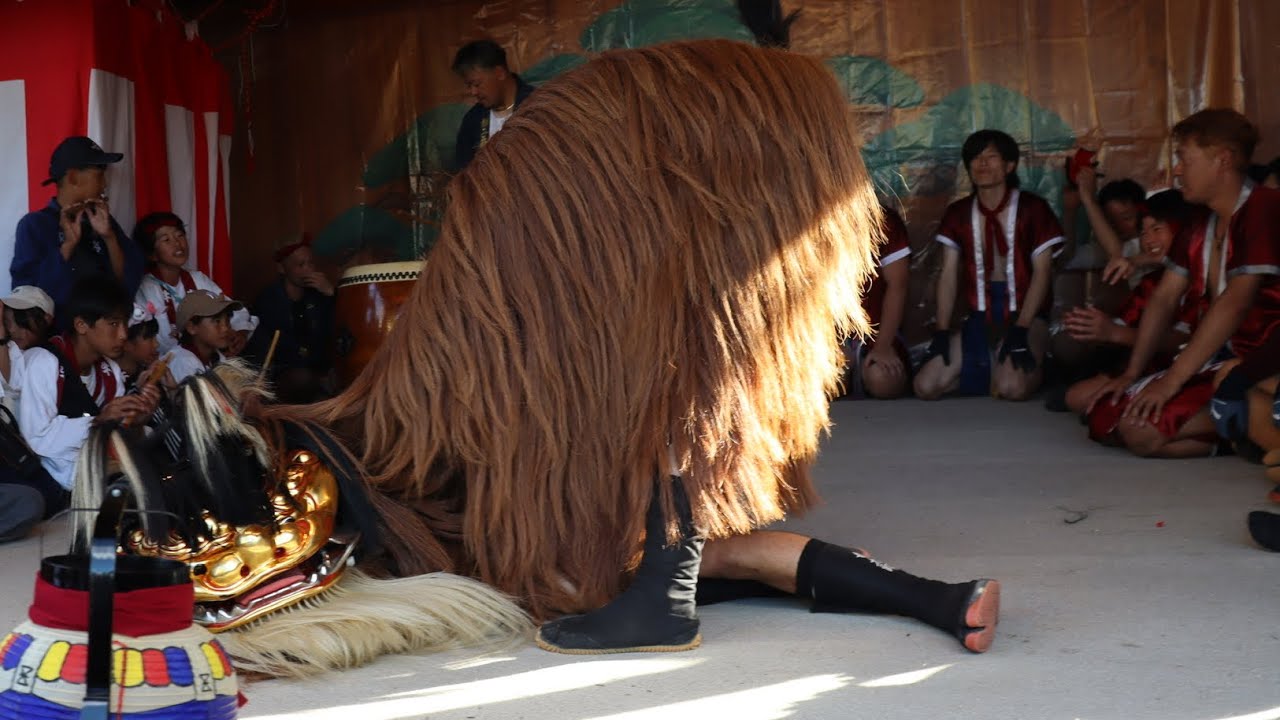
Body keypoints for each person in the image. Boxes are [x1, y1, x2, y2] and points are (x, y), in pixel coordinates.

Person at [1085, 109, 1280, 458]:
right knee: (1105, 416)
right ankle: (1238, 431)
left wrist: (1170, 382)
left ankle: (1246, 432)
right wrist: (1133, 372)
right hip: (1219, 359)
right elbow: (1164, 298)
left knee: (1139, 431)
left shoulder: (1263, 208)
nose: (1176, 170)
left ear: (1222, 160)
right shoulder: (1198, 221)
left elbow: (1235, 303)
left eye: (1183, 159)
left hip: (1262, 362)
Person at [913, 129, 1065, 401]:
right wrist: (942, 331)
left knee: (1012, 388)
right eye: (975, 158)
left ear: (1010, 166)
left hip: (1025, 314)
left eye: (991, 157)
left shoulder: (1033, 209)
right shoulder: (958, 213)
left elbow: (1043, 274)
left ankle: (1032, 366)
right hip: (981, 317)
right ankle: (993, 366)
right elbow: (948, 275)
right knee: (925, 386)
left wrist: (1022, 328)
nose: (982, 163)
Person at [18, 276, 158, 515]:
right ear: (82, 325)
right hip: (53, 477)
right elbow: (36, 437)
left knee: (152, 440)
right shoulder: (45, 361)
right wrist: (99, 421)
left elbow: (118, 434)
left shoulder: (110, 371)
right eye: (114, 324)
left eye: (124, 323)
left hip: (97, 465)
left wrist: (137, 419)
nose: (124, 334)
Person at [1064, 190, 1201, 419]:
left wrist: (1115, 333)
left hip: (1186, 366)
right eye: (1143, 232)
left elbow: (1182, 342)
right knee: (1076, 396)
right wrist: (1095, 327)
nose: (1148, 240)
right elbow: (1126, 317)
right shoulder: (1152, 280)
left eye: (1157, 229)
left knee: (1100, 407)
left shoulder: (1199, 280)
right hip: (1144, 361)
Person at [10, 136, 144, 309]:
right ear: (73, 177)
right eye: (99, 175)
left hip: (108, 330)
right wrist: (67, 247)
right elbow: (25, 296)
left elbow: (129, 282)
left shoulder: (103, 221)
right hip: (61, 333)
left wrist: (110, 238)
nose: (105, 184)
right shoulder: (35, 225)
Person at [133, 211, 257, 356]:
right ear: (152, 254)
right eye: (166, 240)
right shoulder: (145, 288)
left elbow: (235, 312)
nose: (178, 244)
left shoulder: (197, 279)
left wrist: (240, 333)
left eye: (180, 235)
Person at [243, 236, 334, 403]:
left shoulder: (318, 295)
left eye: (311, 263)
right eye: (300, 265)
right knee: (304, 379)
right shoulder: (269, 300)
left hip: (316, 369)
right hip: (282, 372)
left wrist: (330, 294)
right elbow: (271, 349)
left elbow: (333, 331)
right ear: (282, 268)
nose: (308, 270)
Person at [843, 205, 913, 398]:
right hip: (831, 337)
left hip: (879, 332)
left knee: (882, 380)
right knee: (828, 380)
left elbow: (897, 286)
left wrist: (883, 346)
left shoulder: (884, 220)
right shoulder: (811, 221)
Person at [452, 39, 536, 171]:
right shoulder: (472, 120)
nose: (473, 92)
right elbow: (462, 174)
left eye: (477, 84)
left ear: (499, 73)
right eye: (469, 86)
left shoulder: (536, 106)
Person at [168, 290, 241, 384]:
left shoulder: (217, 356)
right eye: (217, 321)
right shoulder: (183, 362)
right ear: (192, 327)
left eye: (227, 320)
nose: (225, 328)